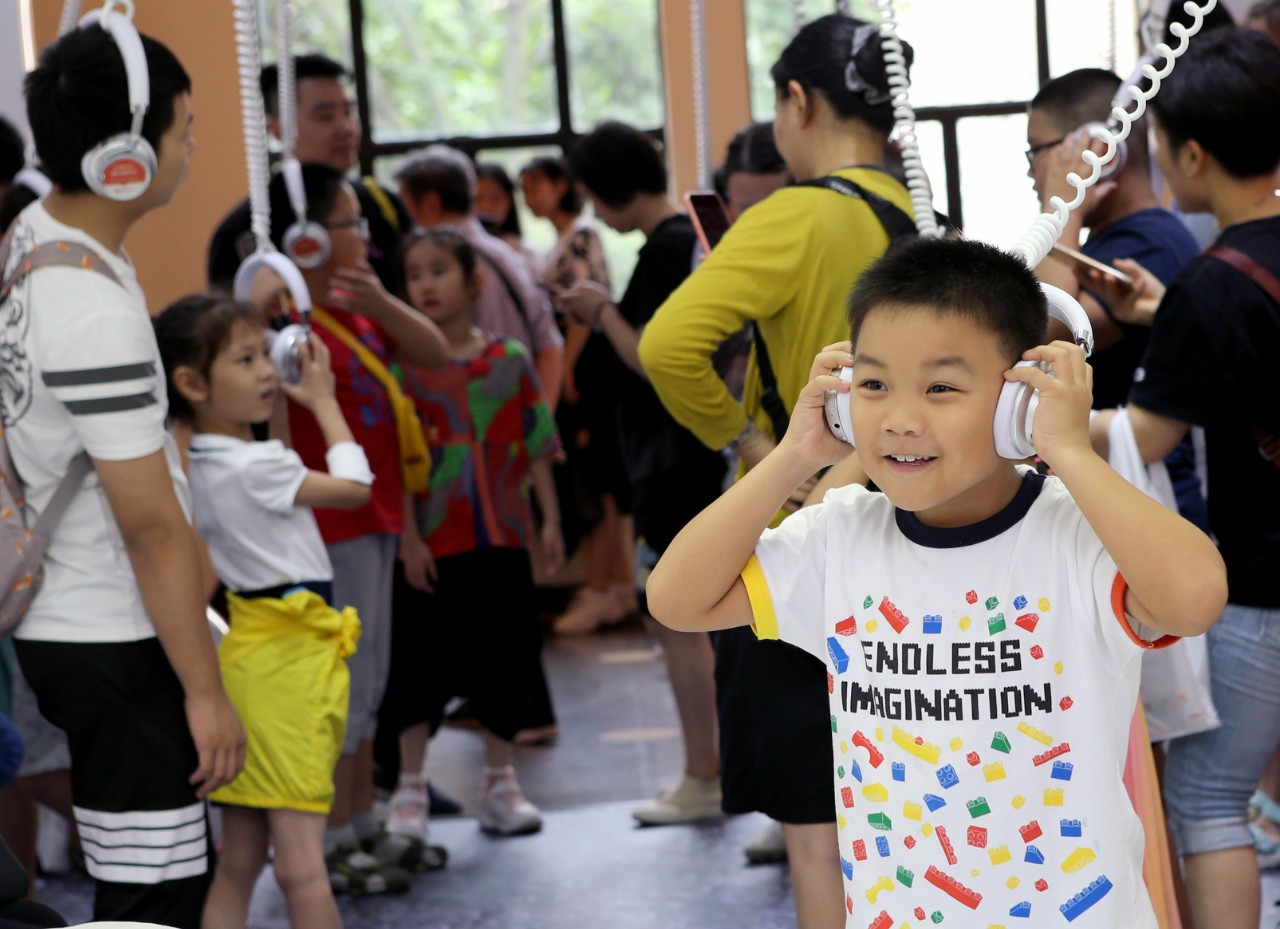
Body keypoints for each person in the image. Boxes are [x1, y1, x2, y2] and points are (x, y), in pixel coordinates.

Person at [647, 233, 1227, 929]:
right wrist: (796, 454)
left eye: (941, 387)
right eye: (873, 384)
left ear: (1021, 399)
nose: (899, 418)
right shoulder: (838, 536)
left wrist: (1069, 449)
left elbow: (1196, 597)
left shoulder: (1077, 537)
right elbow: (677, 598)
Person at [639, 14, 917, 927]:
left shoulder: (798, 213)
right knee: (903, 805)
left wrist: (754, 448)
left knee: (814, 821)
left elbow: (670, 344)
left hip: (807, 530)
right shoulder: (923, 212)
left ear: (797, 102)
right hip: (914, 531)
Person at [1, 20, 245, 928]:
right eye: (184, 128)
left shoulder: (33, 239)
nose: (191, 149)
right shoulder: (91, 311)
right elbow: (149, 525)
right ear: (125, 159)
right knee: (156, 891)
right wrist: (205, 692)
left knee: (138, 869)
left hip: (65, 620)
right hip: (112, 630)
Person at [1085, 29, 1280, 929]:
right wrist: (1168, 314)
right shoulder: (1214, 284)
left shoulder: (1213, 281)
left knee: (1206, 796)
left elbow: (1145, 437)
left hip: (1265, 583)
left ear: (1192, 155)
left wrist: (1028, 420)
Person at [155, 295, 373, 929]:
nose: (265, 371)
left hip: (249, 661)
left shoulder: (202, 461)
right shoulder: (259, 467)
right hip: (293, 672)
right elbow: (356, 490)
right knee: (302, 863)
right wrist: (325, 401)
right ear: (192, 383)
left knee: (241, 859)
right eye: (245, 359)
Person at [262, 163, 450, 891]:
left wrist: (380, 300)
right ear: (306, 236)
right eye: (350, 223)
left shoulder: (360, 311)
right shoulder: (285, 323)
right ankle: (331, 838)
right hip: (326, 528)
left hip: (375, 518)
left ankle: (364, 822)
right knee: (338, 690)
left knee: (368, 685)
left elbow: (432, 352)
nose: (363, 236)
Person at [561, 122, 729, 825]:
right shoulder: (686, 238)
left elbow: (655, 356)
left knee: (678, 618)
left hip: (672, 459)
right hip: (686, 456)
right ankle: (713, 767)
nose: (594, 211)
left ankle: (705, 770)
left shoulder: (666, 248)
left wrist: (599, 309)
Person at [378, 228, 564, 843]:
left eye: (439, 270)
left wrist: (550, 522)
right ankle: (408, 786)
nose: (426, 284)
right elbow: (399, 460)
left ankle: (500, 781)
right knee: (417, 663)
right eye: (415, 274)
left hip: (503, 536)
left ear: (473, 281)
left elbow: (536, 441)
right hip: (432, 543)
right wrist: (407, 537)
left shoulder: (507, 360)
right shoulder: (403, 369)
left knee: (504, 657)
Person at [1025, 68, 1206, 530]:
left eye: (1039, 151)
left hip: (1151, 498)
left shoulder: (1150, 244)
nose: (1031, 170)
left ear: (1098, 148)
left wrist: (1059, 203)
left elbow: (1045, 336)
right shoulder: (1110, 241)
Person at [520, 154, 634, 637]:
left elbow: (590, 301)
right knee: (595, 477)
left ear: (562, 186)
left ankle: (604, 586)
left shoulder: (582, 233)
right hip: (577, 365)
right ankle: (611, 584)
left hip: (589, 368)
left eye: (537, 184)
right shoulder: (562, 239)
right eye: (524, 187)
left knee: (601, 477)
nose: (530, 196)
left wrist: (565, 369)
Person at [207, 54, 413, 295]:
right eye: (326, 117)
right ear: (278, 129)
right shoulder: (244, 231)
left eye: (348, 112)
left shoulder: (383, 203)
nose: (346, 128)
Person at [396, 145, 564, 409]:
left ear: (430, 204)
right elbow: (550, 347)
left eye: (404, 204)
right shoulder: (508, 254)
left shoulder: (465, 261)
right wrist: (539, 423)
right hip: (517, 416)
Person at [474, 162, 538, 272]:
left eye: (495, 199)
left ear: (509, 202)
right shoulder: (459, 251)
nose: (486, 206)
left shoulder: (524, 252)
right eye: (478, 198)